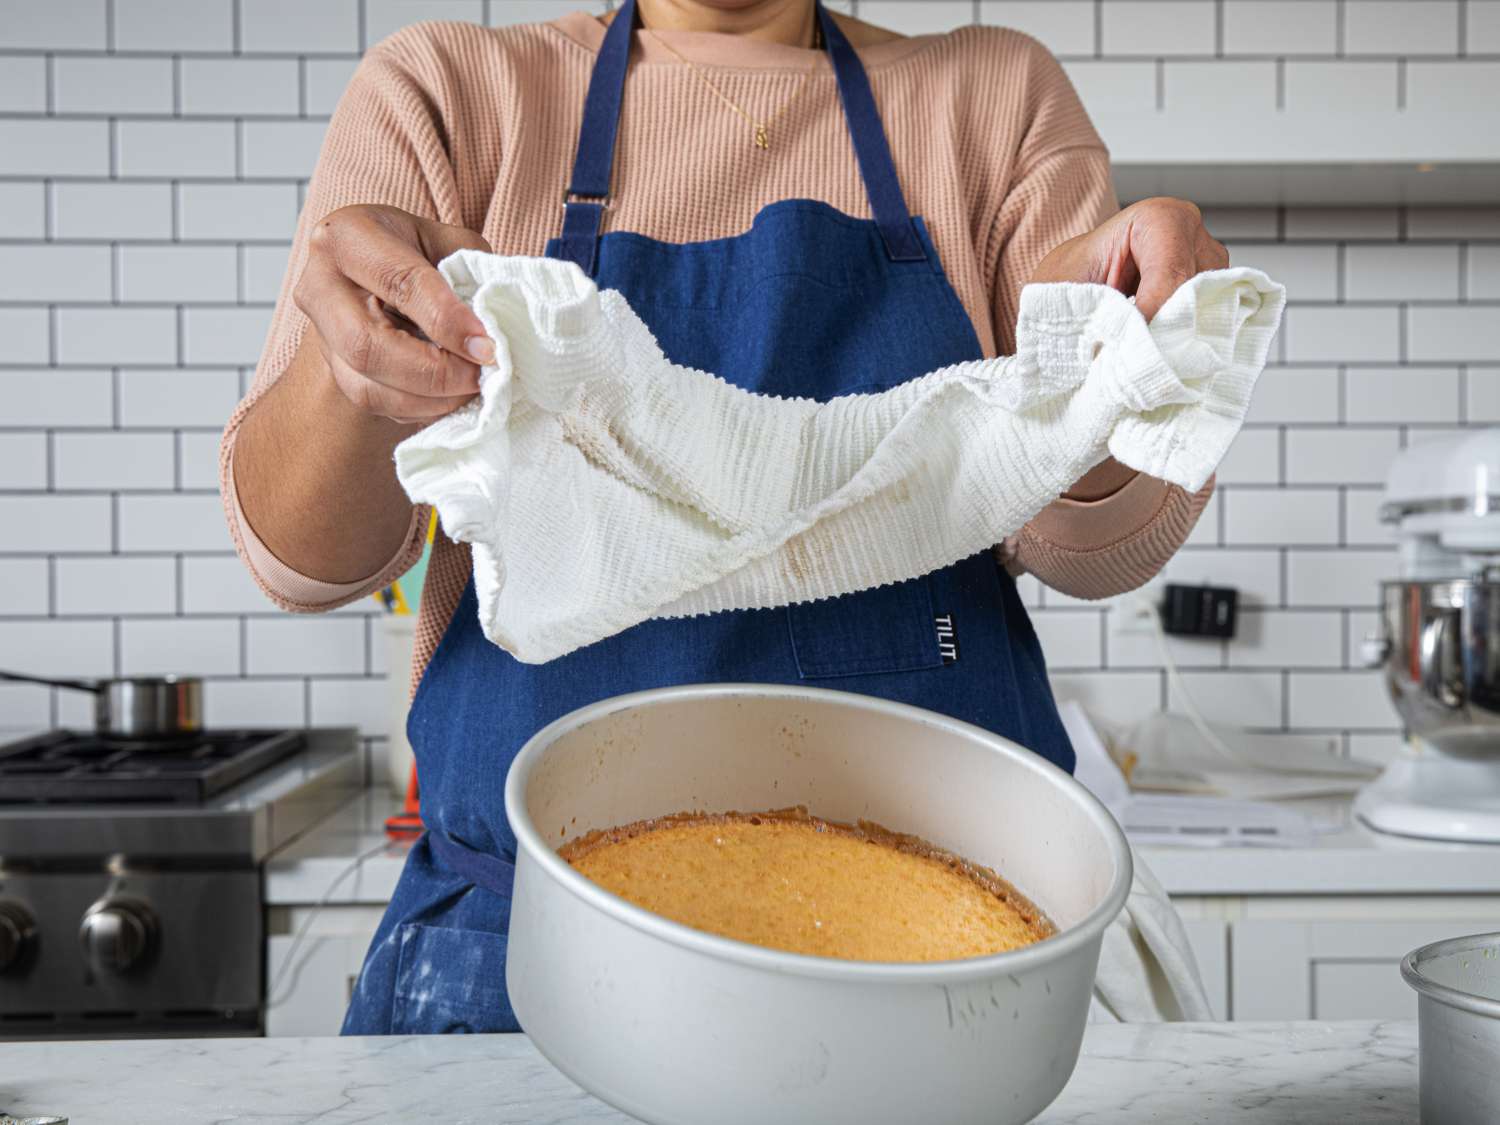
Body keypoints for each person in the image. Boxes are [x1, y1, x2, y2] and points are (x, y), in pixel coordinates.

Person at [223, 0, 1228, 1035]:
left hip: (936, 962)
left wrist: (1121, 355)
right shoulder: (450, 93)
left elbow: (1095, 551)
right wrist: (353, 373)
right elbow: (300, 560)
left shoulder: (993, 96)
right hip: (525, 966)